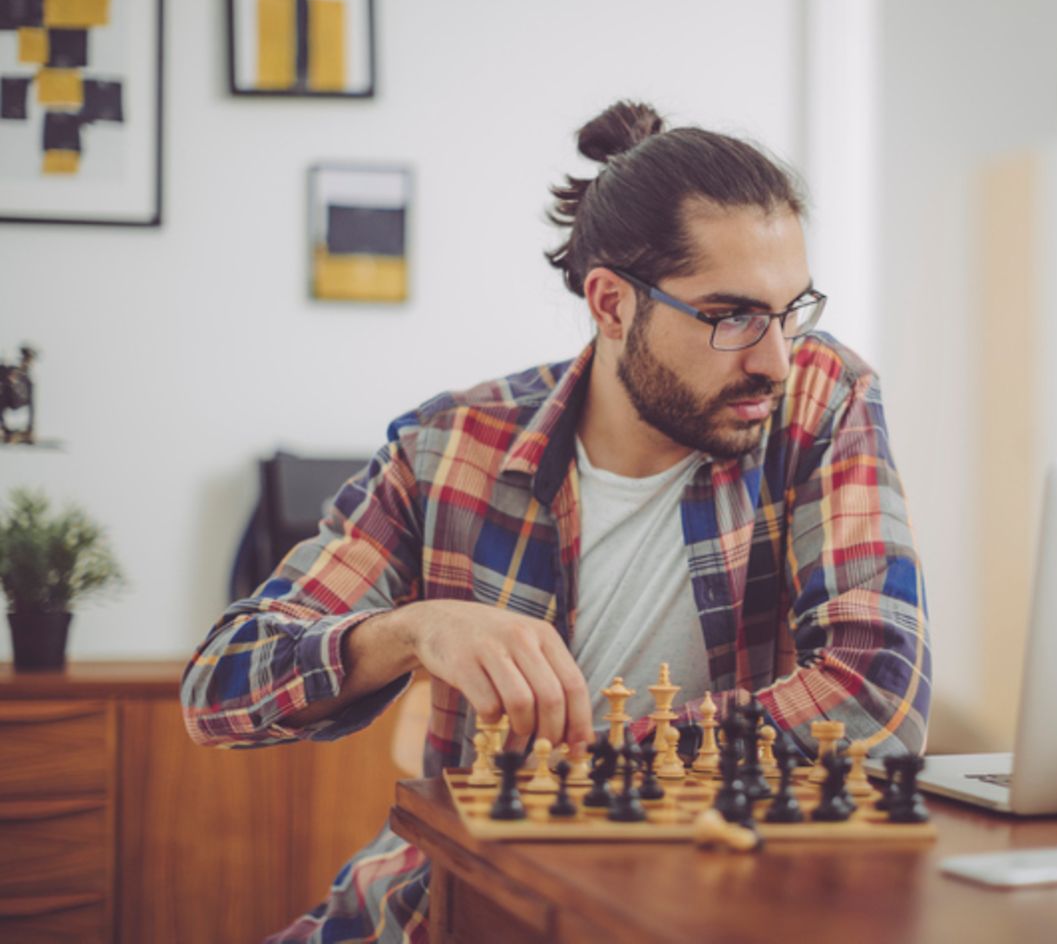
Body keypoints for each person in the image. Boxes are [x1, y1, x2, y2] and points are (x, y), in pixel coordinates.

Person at [181, 100, 931, 942]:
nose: (775, 359)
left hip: (725, 904)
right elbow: (220, 688)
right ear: (611, 304)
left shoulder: (820, 401)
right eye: (732, 317)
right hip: (462, 904)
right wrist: (414, 630)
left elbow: (877, 694)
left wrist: (587, 768)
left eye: (793, 310)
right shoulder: (448, 449)